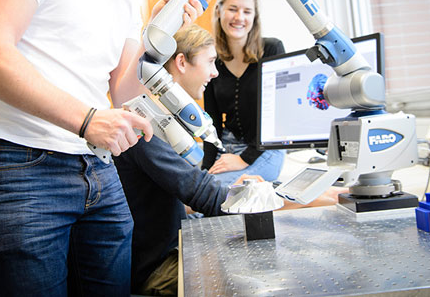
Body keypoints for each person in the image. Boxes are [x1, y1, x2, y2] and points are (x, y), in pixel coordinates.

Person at [0, 0, 208, 296]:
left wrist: (159, 31)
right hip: (22, 166)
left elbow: (124, 90)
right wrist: (86, 119)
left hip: (97, 169)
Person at [116, 24, 343, 296]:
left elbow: (174, 200)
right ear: (181, 62)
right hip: (160, 268)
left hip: (173, 247)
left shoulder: (164, 125)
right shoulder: (146, 130)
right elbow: (212, 199)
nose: (215, 72)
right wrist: (309, 199)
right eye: (211, 62)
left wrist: (253, 189)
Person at [203, 0, 286, 187]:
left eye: (247, 11)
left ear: (254, 17)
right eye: (232, 9)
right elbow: (212, 121)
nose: (239, 17)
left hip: (265, 148)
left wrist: (244, 159)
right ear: (219, 11)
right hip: (227, 147)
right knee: (198, 190)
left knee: (214, 194)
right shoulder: (213, 59)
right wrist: (205, 170)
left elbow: (279, 115)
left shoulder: (273, 49)